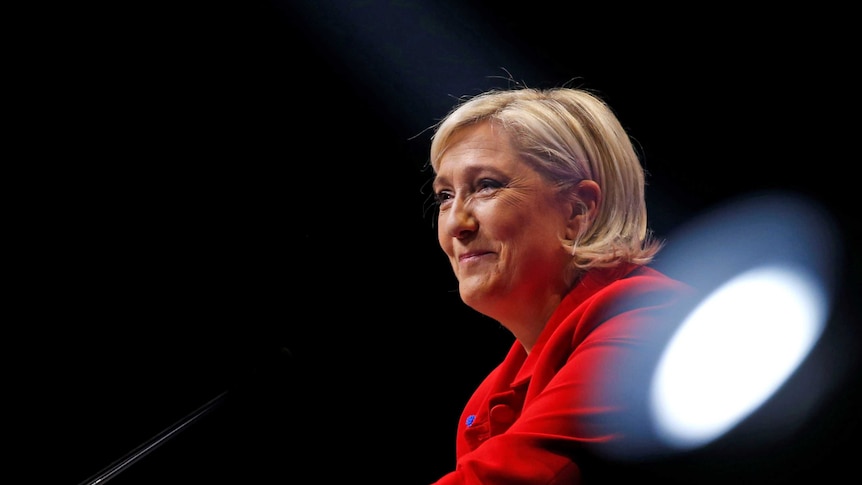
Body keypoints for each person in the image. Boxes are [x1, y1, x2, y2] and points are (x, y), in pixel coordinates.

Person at [424, 85, 695, 484]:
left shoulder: (649, 323)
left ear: (578, 210)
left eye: (486, 186)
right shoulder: (487, 400)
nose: (456, 224)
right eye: (445, 195)